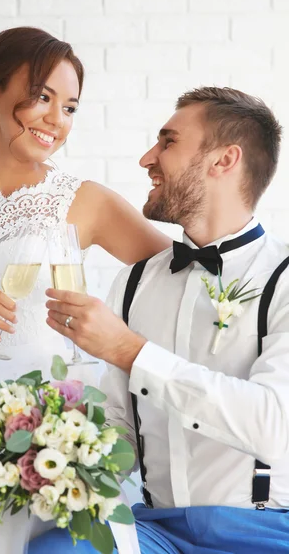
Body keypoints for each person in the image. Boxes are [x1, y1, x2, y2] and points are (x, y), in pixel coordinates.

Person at [0, 27, 171, 554]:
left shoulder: (83, 200)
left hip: (49, 404)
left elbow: (178, 274)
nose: (56, 121)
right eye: (42, 97)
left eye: (70, 108)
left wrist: (127, 342)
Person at [39, 86, 289, 553]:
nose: (146, 159)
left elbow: (273, 425)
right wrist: (47, 458)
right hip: (154, 529)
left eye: (168, 142)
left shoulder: (285, 278)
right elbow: (119, 427)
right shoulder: (134, 282)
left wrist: (131, 352)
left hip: (267, 530)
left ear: (224, 160)